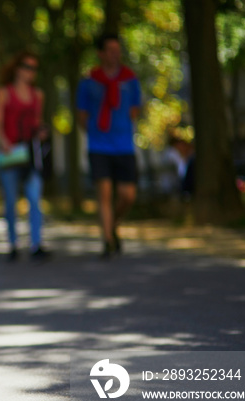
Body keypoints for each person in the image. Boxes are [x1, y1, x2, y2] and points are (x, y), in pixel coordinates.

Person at [77, 33, 142, 259]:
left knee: (127, 196)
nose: (115, 55)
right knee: (103, 194)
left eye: (118, 50)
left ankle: (112, 226)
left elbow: (136, 109)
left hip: (124, 146)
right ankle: (107, 240)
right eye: (110, 50)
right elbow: (82, 115)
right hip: (99, 146)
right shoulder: (88, 82)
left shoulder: (130, 80)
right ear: (101, 53)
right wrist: (95, 131)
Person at [0, 51, 51, 262]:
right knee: (10, 201)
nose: (31, 72)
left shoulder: (38, 95)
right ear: (17, 68)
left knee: (35, 199)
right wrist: (4, 143)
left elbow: (37, 122)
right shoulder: (4, 92)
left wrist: (42, 132)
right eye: (27, 66)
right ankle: (13, 244)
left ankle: (36, 244)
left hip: (30, 154)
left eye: (34, 68)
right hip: (9, 154)